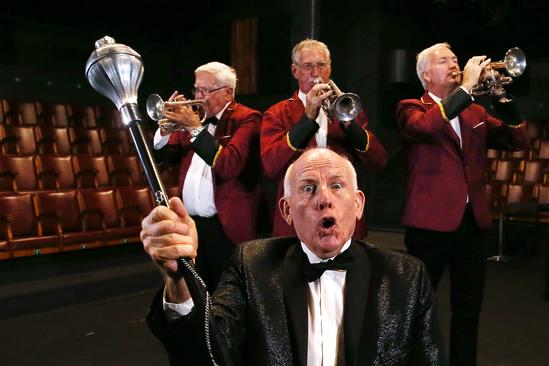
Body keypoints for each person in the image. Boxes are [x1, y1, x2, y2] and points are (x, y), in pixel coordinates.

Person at [142, 148, 446, 366]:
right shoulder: (251, 264)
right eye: (308, 188)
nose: (324, 199)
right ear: (286, 211)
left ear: (358, 205)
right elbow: (209, 351)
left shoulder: (406, 275)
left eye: (337, 186)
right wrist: (177, 277)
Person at [396, 43, 529, 366]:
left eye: (456, 60)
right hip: (429, 225)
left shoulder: (475, 112)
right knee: (418, 306)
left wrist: (500, 96)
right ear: (427, 74)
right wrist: (467, 87)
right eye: (445, 60)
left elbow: (518, 141)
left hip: (472, 223)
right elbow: (424, 128)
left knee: (468, 310)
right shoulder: (411, 106)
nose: (455, 64)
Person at [260, 39, 387, 240]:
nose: (315, 73)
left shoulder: (347, 108)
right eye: (308, 66)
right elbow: (270, 165)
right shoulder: (276, 113)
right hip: (298, 215)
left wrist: (349, 123)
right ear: (295, 71)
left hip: (341, 212)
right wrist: (308, 117)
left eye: (321, 65)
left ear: (330, 68)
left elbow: (378, 161)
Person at [152, 61, 262, 293]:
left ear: (228, 92)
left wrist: (193, 128)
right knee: (197, 294)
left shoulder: (247, 118)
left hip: (225, 229)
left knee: (228, 294)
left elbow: (229, 165)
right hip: (191, 225)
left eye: (205, 91)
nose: (198, 97)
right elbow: (164, 158)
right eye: (196, 90)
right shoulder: (195, 119)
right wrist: (165, 129)